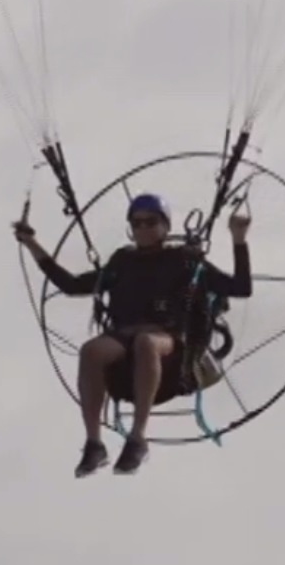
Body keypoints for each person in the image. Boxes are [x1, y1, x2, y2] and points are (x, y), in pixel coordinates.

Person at [14, 192, 252, 476]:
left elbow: (240, 288)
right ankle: (94, 444)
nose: (143, 229)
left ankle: (137, 438)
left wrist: (238, 238)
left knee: (145, 343)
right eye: (136, 223)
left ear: (165, 226)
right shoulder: (122, 262)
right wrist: (31, 244)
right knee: (91, 350)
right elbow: (71, 285)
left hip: (169, 342)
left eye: (150, 222)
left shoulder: (185, 260)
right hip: (124, 339)